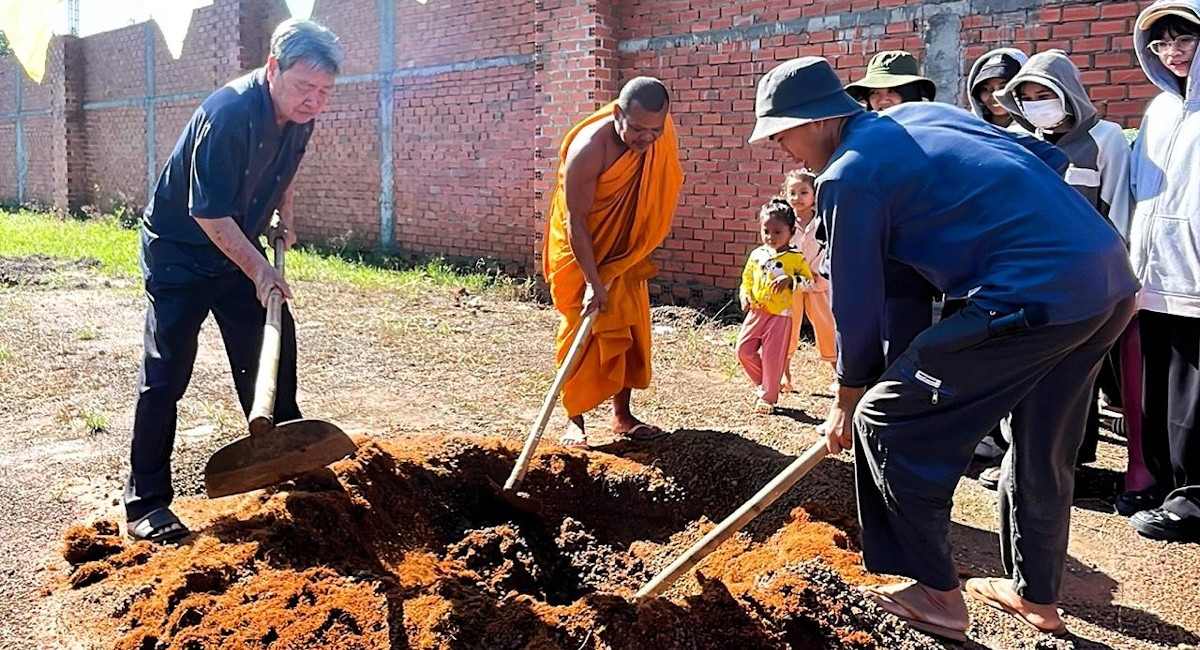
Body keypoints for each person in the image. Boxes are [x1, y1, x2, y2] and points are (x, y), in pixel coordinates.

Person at [748, 57, 1137, 640]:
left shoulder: (847, 174)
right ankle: (1036, 597)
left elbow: (855, 300)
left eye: (782, 131)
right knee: (1041, 440)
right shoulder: (920, 115)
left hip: (1030, 296)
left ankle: (935, 594)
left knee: (885, 418)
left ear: (818, 117)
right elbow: (1043, 159)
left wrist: (851, 394)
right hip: (1106, 280)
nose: (780, 145)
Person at [124, 19, 343, 543]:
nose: (314, 100)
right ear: (272, 69)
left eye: (324, 92)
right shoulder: (228, 115)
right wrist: (261, 269)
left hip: (236, 246)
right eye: (304, 87)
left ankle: (283, 459)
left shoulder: (300, 116)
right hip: (182, 254)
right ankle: (145, 502)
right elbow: (210, 215)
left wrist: (281, 214)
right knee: (167, 372)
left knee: (273, 347)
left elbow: (286, 170)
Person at [979, 49, 1135, 485]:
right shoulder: (1017, 138)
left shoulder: (1107, 139)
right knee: (1022, 368)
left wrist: (1119, 277)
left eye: (1044, 93)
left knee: (1073, 375)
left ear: (1067, 92)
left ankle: (1061, 466)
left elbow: (1119, 209)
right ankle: (1017, 460)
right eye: (1026, 97)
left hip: (1087, 281)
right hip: (1028, 276)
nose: (1036, 104)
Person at [542, 77, 684, 448]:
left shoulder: (657, 137)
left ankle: (622, 416)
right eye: (637, 129)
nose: (646, 140)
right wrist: (592, 279)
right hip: (581, 249)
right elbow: (576, 220)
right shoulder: (589, 149)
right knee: (580, 328)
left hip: (622, 251)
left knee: (628, 324)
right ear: (618, 113)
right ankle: (576, 420)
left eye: (654, 130)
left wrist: (621, 259)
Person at [1126, 0, 1200, 543]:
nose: (1172, 53)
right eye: (1161, 44)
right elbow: (1138, 192)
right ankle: (1161, 481)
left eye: (1185, 40)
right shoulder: (1157, 111)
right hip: (1153, 276)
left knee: (1193, 397)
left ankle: (1193, 499)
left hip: (1196, 278)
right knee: (1158, 391)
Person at [846, 51, 941, 370]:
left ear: (912, 94)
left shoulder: (930, 137)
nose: (882, 101)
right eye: (875, 94)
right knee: (865, 354)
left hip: (911, 270)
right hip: (870, 266)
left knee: (903, 356)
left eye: (891, 92)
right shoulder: (860, 138)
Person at [736, 199, 814, 413]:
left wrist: (791, 280)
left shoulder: (796, 258)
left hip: (781, 315)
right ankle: (767, 385)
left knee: (772, 356)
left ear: (791, 231)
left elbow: (809, 283)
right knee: (743, 350)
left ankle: (768, 398)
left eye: (777, 232)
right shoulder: (758, 254)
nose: (771, 237)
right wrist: (744, 294)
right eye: (766, 231)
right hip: (756, 312)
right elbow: (747, 279)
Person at [779, 169, 836, 393]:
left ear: (814, 195)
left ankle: (838, 374)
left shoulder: (823, 220)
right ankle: (784, 376)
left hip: (819, 283)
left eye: (804, 192)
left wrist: (818, 273)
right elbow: (776, 250)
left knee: (828, 327)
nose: (797, 198)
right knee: (786, 328)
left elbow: (829, 249)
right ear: (784, 194)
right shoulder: (783, 222)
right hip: (789, 284)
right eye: (792, 192)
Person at [966, 48, 1027, 129]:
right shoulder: (969, 130)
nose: (994, 95)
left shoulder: (1038, 134)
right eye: (986, 89)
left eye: (1003, 87)